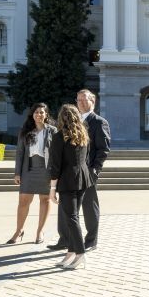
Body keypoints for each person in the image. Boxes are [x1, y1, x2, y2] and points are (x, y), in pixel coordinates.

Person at [47, 89, 110, 251]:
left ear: (93, 101)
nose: (80, 103)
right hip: (68, 174)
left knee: (89, 207)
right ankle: (65, 239)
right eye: (78, 100)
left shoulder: (99, 122)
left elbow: (103, 150)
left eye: (84, 100)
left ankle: (90, 241)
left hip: (87, 173)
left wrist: (95, 170)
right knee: (65, 207)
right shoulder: (74, 122)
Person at [48, 104, 93, 270]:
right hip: (82, 178)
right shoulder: (84, 136)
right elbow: (86, 158)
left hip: (68, 180)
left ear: (62, 118)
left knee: (71, 217)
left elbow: (56, 165)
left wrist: (52, 189)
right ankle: (71, 252)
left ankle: (80, 253)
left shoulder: (60, 137)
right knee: (74, 217)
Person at [7, 103, 57, 245]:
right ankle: (19, 230)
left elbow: (57, 153)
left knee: (45, 200)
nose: (39, 114)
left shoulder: (52, 130)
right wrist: (17, 173)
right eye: (36, 112)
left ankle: (39, 231)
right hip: (28, 169)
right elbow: (20, 153)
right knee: (23, 201)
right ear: (32, 115)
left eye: (42, 112)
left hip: (47, 169)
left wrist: (56, 174)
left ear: (46, 115)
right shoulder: (25, 130)